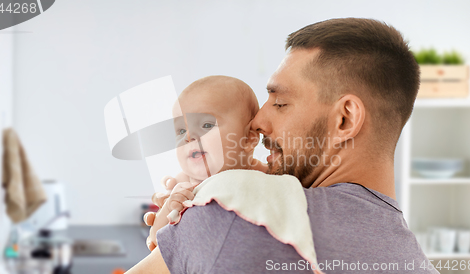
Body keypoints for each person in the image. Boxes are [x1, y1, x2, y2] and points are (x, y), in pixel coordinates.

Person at [128, 18, 439, 273]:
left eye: (279, 102)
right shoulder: (415, 263)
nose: (257, 122)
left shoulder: (237, 205)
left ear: (345, 119)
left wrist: (185, 225)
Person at [144, 75, 265, 251]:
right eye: (181, 130)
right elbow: (155, 240)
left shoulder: (263, 174)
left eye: (207, 125)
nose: (189, 137)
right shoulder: (184, 184)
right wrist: (170, 206)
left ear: (248, 139)